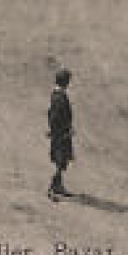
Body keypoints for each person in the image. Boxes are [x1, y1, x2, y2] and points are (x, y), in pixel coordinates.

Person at [47, 69, 74, 200]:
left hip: (61, 133)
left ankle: (57, 185)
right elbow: (54, 117)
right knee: (61, 159)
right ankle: (53, 187)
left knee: (62, 160)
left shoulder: (56, 95)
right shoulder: (59, 97)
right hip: (60, 135)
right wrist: (60, 132)